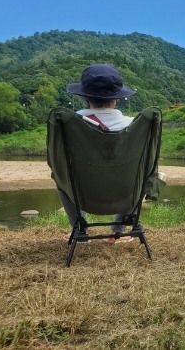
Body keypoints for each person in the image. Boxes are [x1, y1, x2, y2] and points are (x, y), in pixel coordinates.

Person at [61, 63, 139, 243]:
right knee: (144, 176)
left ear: (86, 97)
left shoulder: (69, 125)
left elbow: (57, 163)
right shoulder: (134, 125)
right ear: (116, 98)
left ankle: (80, 230)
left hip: (82, 195)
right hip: (124, 194)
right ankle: (116, 232)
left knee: (61, 175)